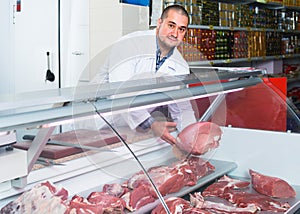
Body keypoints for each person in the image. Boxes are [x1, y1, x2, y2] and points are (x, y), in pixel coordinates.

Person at [91, 4, 196, 145]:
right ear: (159, 23)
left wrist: (192, 138)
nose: (175, 34)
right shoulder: (129, 44)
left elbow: (182, 108)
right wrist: (152, 123)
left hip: (131, 129)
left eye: (181, 29)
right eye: (171, 25)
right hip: (97, 123)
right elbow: (122, 92)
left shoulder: (181, 66)